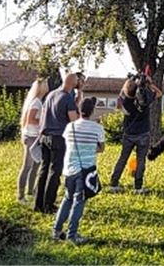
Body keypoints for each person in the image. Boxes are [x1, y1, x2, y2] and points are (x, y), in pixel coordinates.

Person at [53, 97, 105, 245]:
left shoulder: (70, 127)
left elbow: (68, 143)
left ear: (79, 110)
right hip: (86, 170)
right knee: (79, 202)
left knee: (67, 198)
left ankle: (56, 231)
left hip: (69, 168)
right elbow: (101, 148)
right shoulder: (97, 128)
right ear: (92, 111)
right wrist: (90, 147)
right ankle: (72, 235)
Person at [34, 71, 84, 214]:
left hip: (45, 136)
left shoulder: (51, 94)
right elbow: (73, 120)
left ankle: (38, 203)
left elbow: (43, 114)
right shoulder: (67, 98)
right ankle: (49, 204)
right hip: (59, 138)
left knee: (43, 170)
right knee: (55, 172)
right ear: (74, 84)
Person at [107, 75, 163, 194]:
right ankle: (138, 187)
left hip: (129, 134)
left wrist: (125, 88)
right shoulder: (145, 98)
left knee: (123, 158)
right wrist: (149, 83)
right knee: (141, 160)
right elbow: (159, 93)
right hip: (143, 133)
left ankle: (114, 183)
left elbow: (118, 104)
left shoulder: (125, 101)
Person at [18, 78, 49, 203]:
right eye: (46, 84)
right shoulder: (36, 102)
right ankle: (21, 195)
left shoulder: (37, 101)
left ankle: (31, 192)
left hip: (34, 136)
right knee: (28, 165)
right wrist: (43, 122)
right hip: (31, 136)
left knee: (36, 164)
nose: (48, 86)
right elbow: (31, 119)